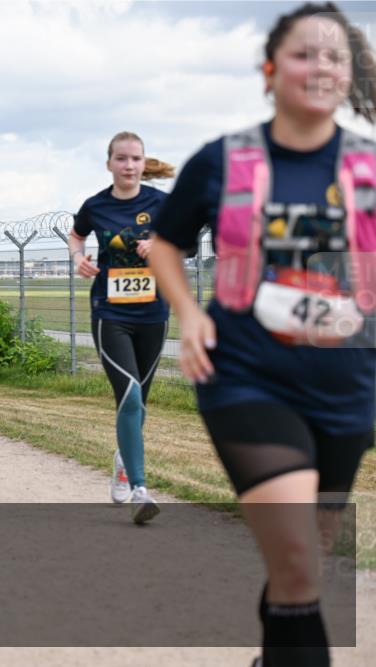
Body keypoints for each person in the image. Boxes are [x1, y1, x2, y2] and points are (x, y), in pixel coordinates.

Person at [148, 4, 376, 665]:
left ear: (347, 72)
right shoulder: (222, 161)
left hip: (346, 385)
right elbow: (166, 244)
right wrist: (191, 314)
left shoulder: (367, 168)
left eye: (334, 56)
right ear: (270, 70)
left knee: (300, 565)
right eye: (305, 53)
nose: (321, 67)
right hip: (247, 377)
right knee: (300, 557)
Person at [70, 132, 175, 524]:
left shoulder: (163, 204)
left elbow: (188, 246)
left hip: (153, 315)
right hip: (110, 314)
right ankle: (140, 489)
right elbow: (76, 235)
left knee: (138, 404)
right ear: (109, 163)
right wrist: (78, 258)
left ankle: (121, 461)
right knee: (129, 395)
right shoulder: (95, 206)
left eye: (136, 159)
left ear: (144, 163)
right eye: (121, 159)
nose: (129, 165)